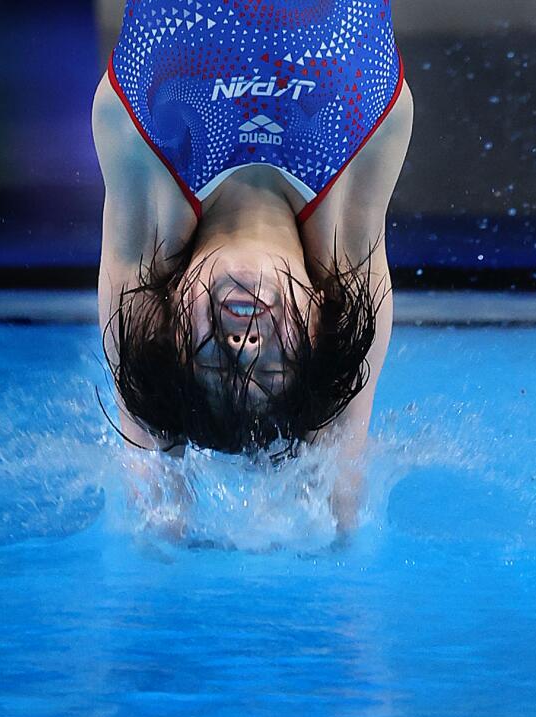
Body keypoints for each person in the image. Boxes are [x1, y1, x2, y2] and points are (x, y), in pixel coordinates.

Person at [92, 0, 413, 530]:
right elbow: (340, 495)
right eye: (271, 368)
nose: (241, 345)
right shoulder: (355, 182)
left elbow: (151, 481)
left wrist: (165, 525)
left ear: (165, 319)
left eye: (211, 362)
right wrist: (336, 524)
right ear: (318, 322)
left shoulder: (145, 166)